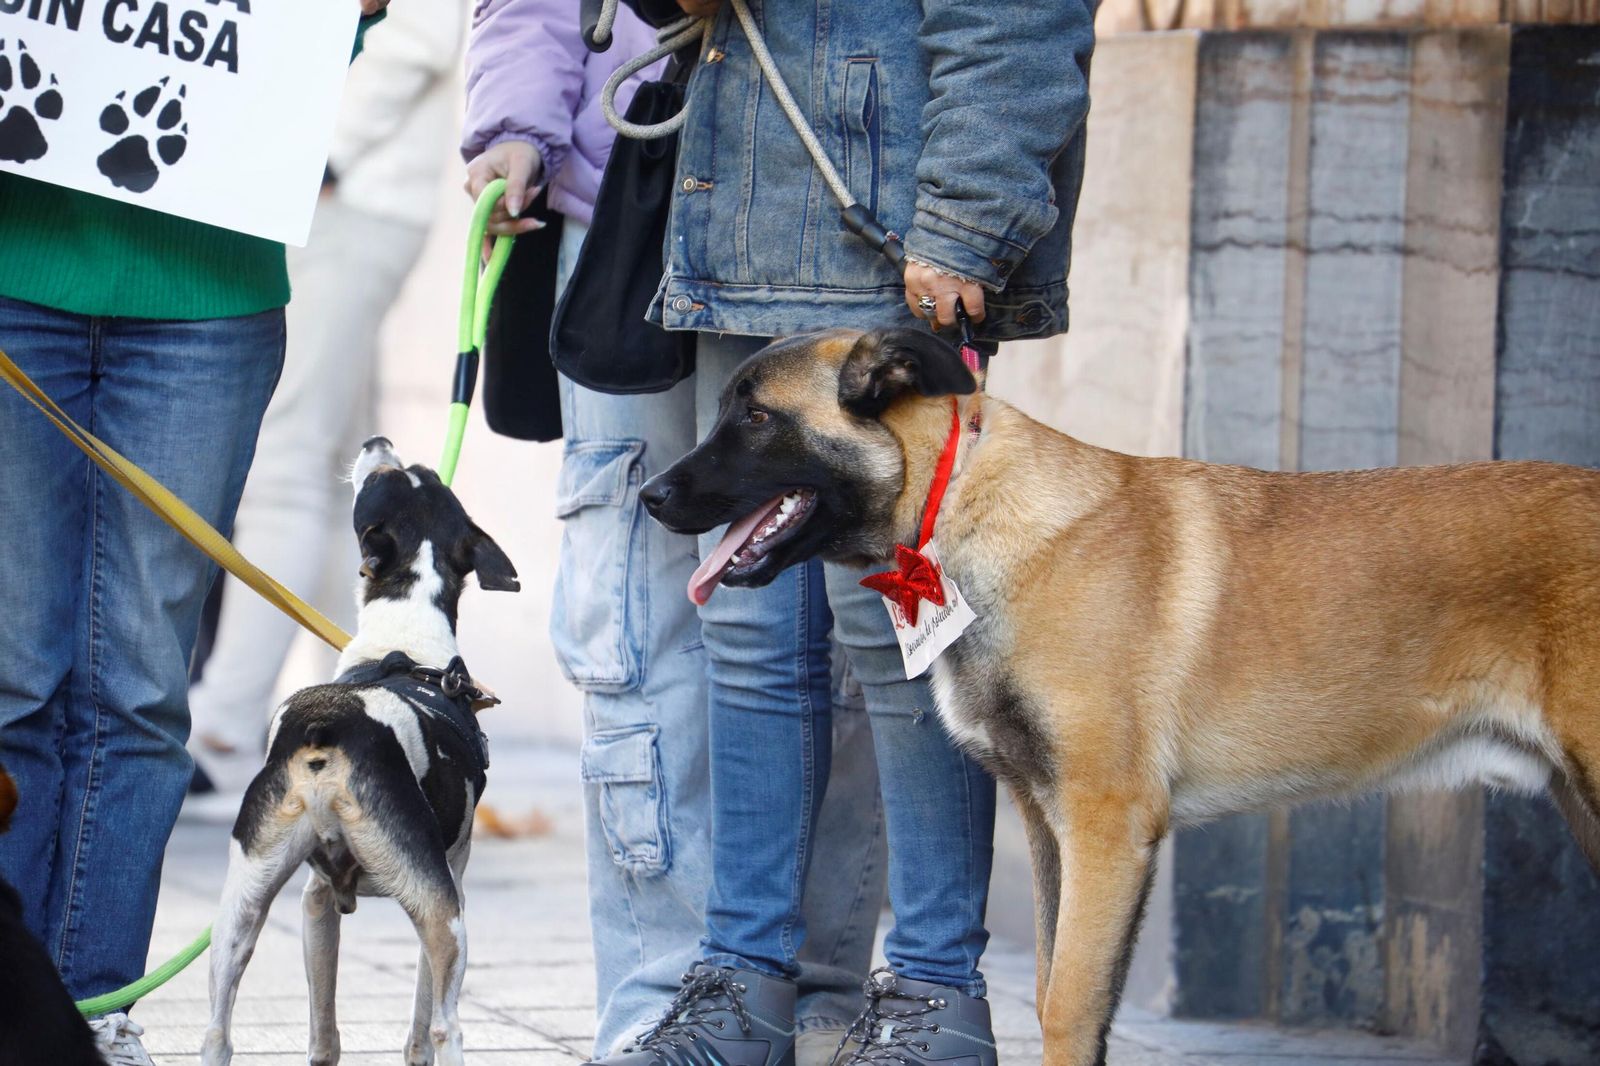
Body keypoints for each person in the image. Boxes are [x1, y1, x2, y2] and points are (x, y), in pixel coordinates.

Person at [563, 1, 1097, 1064]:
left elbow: (1018, 16)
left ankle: (936, 999)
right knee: (747, 639)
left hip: (889, 236)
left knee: (906, 640)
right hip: (736, 227)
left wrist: (966, 220)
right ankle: (741, 988)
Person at [461, 4, 889, 1060]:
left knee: (843, 642)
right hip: (628, 196)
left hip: (827, 204)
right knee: (641, 643)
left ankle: (820, 1003)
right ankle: (661, 1015)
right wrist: (514, 117)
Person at [0, 5, 388, 1063]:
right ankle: (15, 999)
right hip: (12, 263)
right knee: (13, 673)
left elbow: (307, 49)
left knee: (138, 678)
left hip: (205, 294)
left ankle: (92, 1005)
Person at [185, 0, 469, 815]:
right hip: (335, 191)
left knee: (286, 455)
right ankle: (328, 705)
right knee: (338, 463)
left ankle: (228, 727)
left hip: (343, 192)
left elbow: (415, 34)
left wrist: (315, 150)